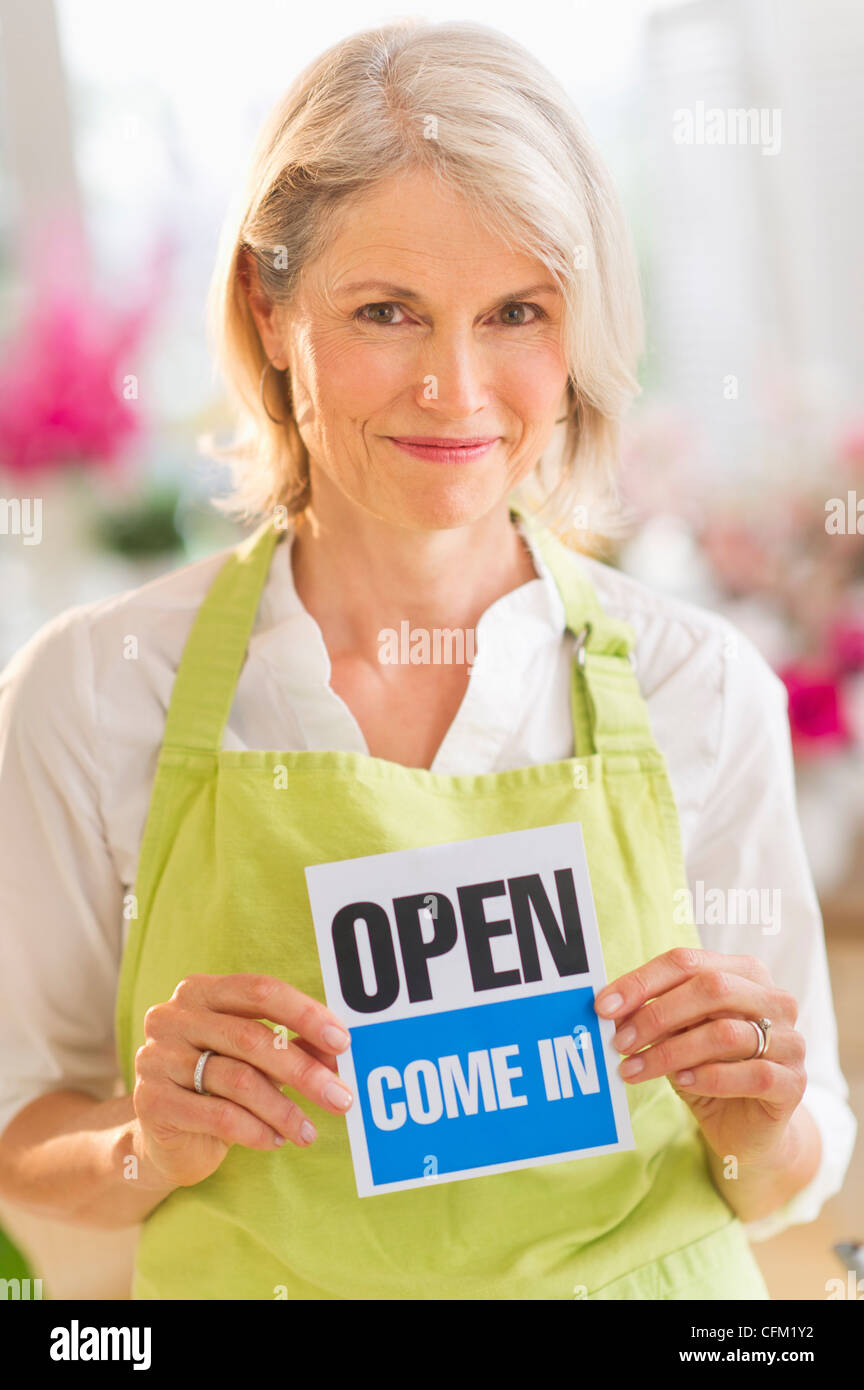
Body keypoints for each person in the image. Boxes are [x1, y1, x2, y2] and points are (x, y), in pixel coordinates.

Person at [0, 19, 855, 1301]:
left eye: (517, 312)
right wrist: (144, 1140)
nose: (455, 390)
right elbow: (21, 1126)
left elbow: (797, 1171)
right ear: (268, 307)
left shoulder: (698, 683)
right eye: (385, 312)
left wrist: (753, 1122)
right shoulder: (90, 691)